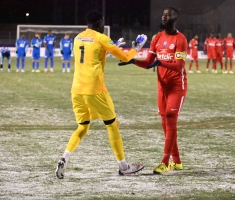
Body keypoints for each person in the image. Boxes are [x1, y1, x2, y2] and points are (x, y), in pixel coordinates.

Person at [55, 10, 147, 179]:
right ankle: (124, 167)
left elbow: (93, 54)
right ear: (99, 23)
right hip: (95, 90)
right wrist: (136, 48)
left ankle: (64, 158)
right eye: (102, 23)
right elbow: (126, 57)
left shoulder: (78, 38)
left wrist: (111, 47)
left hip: (76, 90)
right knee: (112, 125)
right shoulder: (101, 38)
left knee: (83, 126)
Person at [119, 7, 187, 174]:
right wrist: (133, 61)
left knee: (170, 119)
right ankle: (177, 161)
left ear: (175, 19)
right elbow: (149, 62)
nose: (164, 17)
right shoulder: (157, 38)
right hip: (161, 86)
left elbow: (179, 66)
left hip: (177, 86)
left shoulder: (181, 39)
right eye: (163, 15)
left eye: (168, 15)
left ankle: (165, 162)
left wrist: (161, 63)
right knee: (165, 123)